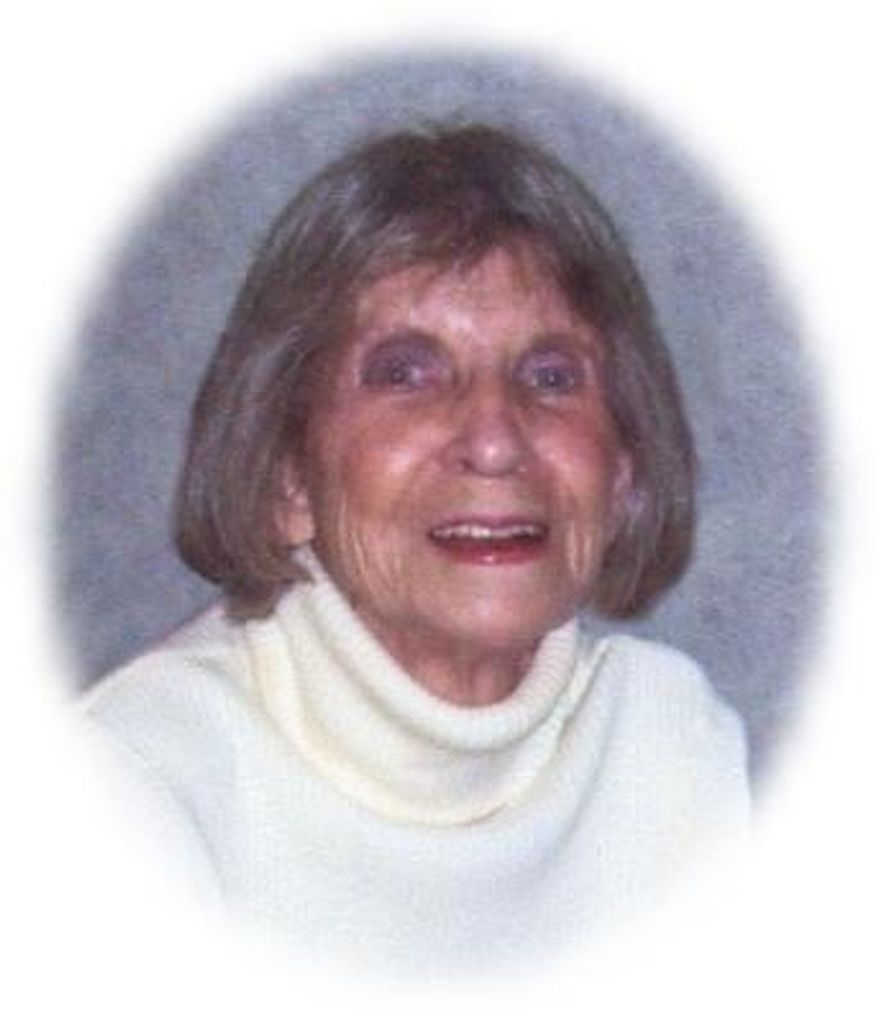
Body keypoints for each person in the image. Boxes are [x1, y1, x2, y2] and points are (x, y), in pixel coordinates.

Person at [81, 124, 748, 973]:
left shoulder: (672, 747)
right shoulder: (135, 784)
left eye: (550, 376)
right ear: (288, 476)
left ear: (621, 472)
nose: (495, 441)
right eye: (406, 373)